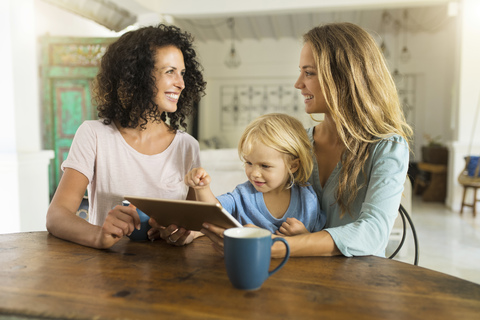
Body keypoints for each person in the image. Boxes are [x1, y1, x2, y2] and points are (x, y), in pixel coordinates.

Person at [201, 22, 412, 258]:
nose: (298, 83)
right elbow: (258, 205)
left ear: (343, 78)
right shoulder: (299, 142)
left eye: (309, 72)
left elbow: (374, 233)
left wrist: (276, 247)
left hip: (358, 281)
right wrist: (197, 229)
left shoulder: (387, 147)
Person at [46, 24, 206, 249]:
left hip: (172, 274)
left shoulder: (187, 147)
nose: (181, 83)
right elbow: (56, 216)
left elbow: (197, 223)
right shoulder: (94, 135)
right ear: (137, 75)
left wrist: (186, 233)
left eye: (182, 73)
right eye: (170, 71)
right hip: (107, 270)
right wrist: (100, 235)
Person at [185, 113, 326, 235]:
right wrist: (202, 188)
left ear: (293, 165)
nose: (254, 173)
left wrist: (304, 235)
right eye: (249, 163)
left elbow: (316, 239)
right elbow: (213, 213)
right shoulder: (242, 194)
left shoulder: (308, 199)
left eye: (265, 166)